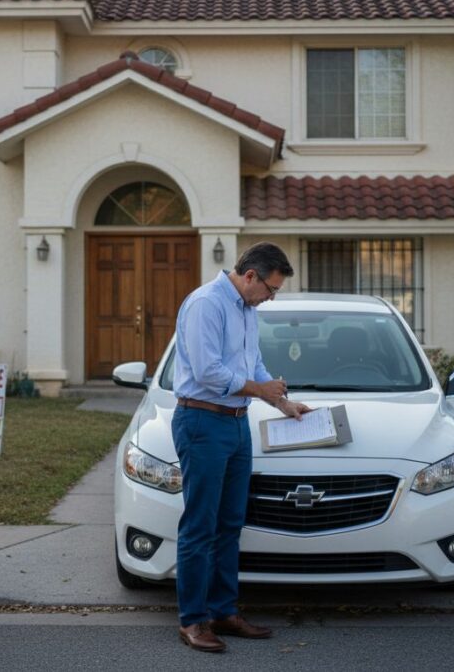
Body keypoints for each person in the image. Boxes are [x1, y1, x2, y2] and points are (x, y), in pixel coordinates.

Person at [171, 241, 311, 653]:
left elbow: (253, 366)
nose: (270, 298)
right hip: (202, 421)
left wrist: (281, 402)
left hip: (236, 424)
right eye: (270, 289)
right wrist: (259, 388)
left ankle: (223, 612)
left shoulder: (247, 311)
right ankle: (193, 620)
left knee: (231, 523)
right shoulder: (206, 305)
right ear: (250, 276)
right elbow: (208, 371)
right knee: (200, 525)